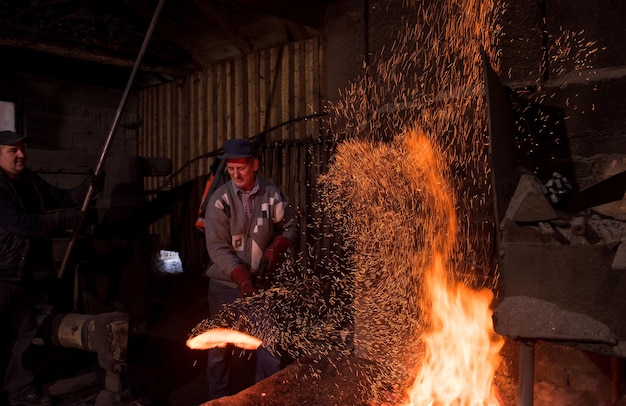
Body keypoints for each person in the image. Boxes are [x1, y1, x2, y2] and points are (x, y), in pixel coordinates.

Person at [0, 130, 98, 406]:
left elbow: (63, 197)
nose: (21, 155)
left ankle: (19, 390)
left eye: (21, 149)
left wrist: (88, 187)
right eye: (12, 150)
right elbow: (20, 223)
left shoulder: (29, 181)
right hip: (1, 274)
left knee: (21, 337)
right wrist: (65, 220)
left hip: (25, 275)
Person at [204, 138, 297, 399]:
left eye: (241, 168)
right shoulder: (219, 201)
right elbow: (217, 249)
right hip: (224, 288)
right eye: (230, 169)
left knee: (270, 345)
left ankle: (263, 398)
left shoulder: (272, 195)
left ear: (254, 164)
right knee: (219, 347)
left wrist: (275, 249)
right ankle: (218, 399)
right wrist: (241, 276)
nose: (235, 174)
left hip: (262, 286)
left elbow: (291, 227)